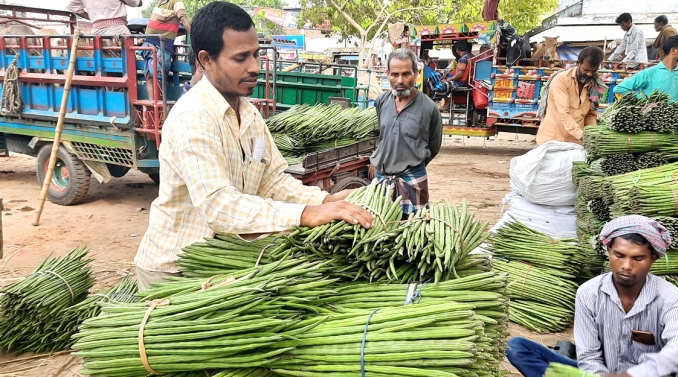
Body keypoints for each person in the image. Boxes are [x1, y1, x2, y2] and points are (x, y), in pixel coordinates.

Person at [134, 1, 373, 291]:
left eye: (256, 54)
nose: (255, 67)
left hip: (220, 261)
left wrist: (322, 201)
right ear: (206, 60)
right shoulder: (192, 117)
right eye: (240, 58)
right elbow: (218, 205)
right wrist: (305, 215)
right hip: (176, 270)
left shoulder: (248, 114)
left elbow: (271, 181)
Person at [506, 215, 678, 377]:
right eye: (619, 255)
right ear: (609, 251)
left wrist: (634, 375)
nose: (626, 265)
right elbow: (588, 356)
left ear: (653, 258)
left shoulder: (668, 297)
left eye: (637, 258)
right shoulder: (589, 293)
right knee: (517, 347)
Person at [370, 48, 442, 217]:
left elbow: (434, 146)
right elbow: (383, 135)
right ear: (387, 74)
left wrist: (411, 164)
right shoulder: (382, 101)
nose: (400, 80)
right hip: (382, 180)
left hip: (412, 180)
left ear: (416, 74)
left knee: (413, 234)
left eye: (406, 74)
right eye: (394, 74)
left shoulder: (429, 108)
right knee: (382, 231)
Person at [536, 46, 607, 145]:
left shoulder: (595, 85)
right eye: (586, 70)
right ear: (578, 63)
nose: (590, 74)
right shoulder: (561, 80)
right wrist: (582, 136)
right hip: (553, 139)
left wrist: (593, 136)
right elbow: (564, 113)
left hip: (576, 142)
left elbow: (591, 115)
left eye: (593, 71)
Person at [614, 35, 678, 102]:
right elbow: (620, 88)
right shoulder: (649, 73)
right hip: (653, 121)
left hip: (676, 121)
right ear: (673, 50)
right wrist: (644, 101)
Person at [143, 0, 192, 100]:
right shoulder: (159, 3)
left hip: (161, 47)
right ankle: (152, 109)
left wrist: (197, 38)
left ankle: (159, 112)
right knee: (149, 76)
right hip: (148, 47)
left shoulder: (176, 2)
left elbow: (184, 21)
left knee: (156, 78)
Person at [432, 40, 474, 110]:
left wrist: (448, 79)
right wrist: (448, 74)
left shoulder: (463, 58)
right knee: (435, 76)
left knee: (439, 85)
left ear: (457, 50)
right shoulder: (470, 56)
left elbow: (460, 74)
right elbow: (458, 70)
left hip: (459, 82)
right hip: (462, 79)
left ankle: (445, 101)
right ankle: (444, 99)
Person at [67, 0, 142, 35]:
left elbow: (72, 7)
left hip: (96, 31)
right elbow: (135, 3)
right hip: (117, 30)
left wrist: (92, 18)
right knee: (128, 61)